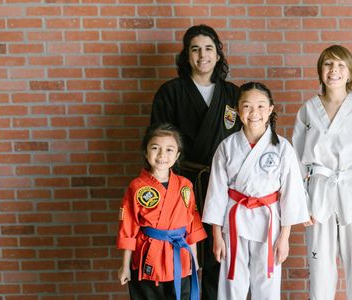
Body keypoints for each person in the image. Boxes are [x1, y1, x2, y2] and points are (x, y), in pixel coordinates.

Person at [149, 24, 240, 299]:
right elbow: (158, 142)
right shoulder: (170, 92)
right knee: (182, 249)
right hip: (182, 183)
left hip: (223, 183)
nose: (203, 55)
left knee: (218, 251)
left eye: (209, 48)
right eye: (195, 49)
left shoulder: (233, 94)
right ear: (186, 55)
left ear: (218, 54)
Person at [202, 82, 310, 300]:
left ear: (270, 109)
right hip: (234, 221)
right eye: (247, 106)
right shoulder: (227, 146)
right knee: (232, 283)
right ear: (238, 110)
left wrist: (285, 237)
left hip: (268, 223)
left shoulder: (282, 148)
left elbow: (291, 194)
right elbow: (216, 193)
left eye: (261, 106)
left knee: (267, 284)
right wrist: (216, 235)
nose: (254, 113)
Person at [292, 45, 352, 300]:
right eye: (328, 64)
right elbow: (296, 161)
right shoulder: (308, 110)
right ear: (321, 71)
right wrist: (302, 203)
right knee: (320, 271)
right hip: (318, 191)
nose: (334, 70)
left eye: (341, 65)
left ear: (350, 72)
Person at [117, 123, 207, 300]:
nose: (162, 155)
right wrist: (125, 266)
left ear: (177, 155)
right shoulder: (137, 187)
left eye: (169, 150)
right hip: (148, 258)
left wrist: (194, 261)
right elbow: (128, 228)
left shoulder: (185, 185)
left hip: (179, 258)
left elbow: (192, 225)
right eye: (155, 148)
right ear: (145, 152)